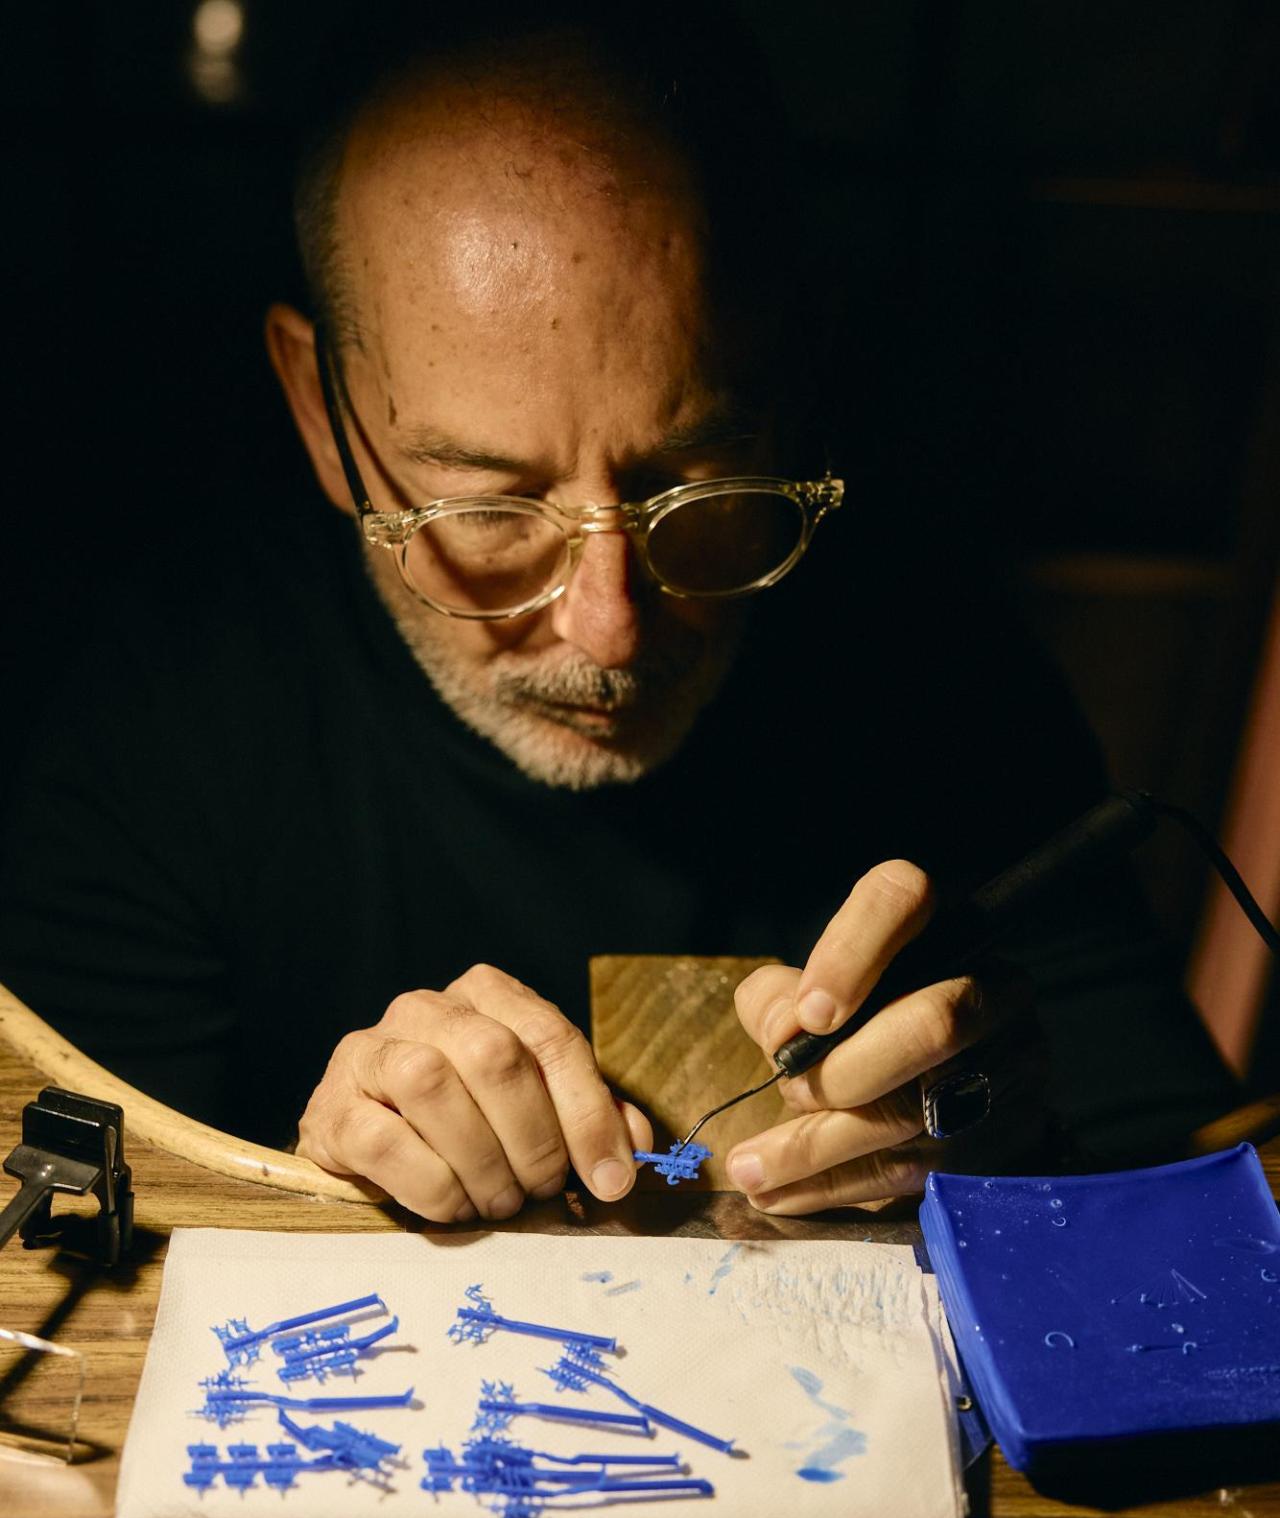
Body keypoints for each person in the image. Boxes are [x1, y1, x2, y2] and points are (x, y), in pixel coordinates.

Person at [0, 3, 1233, 1222]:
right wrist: (307, 1181)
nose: (611, 630)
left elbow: (1182, 1183)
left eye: (691, 486)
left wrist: (1012, 1151)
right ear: (320, 411)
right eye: (488, 508)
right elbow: (56, 1216)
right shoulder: (159, 712)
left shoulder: (929, 658)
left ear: (783, 390)